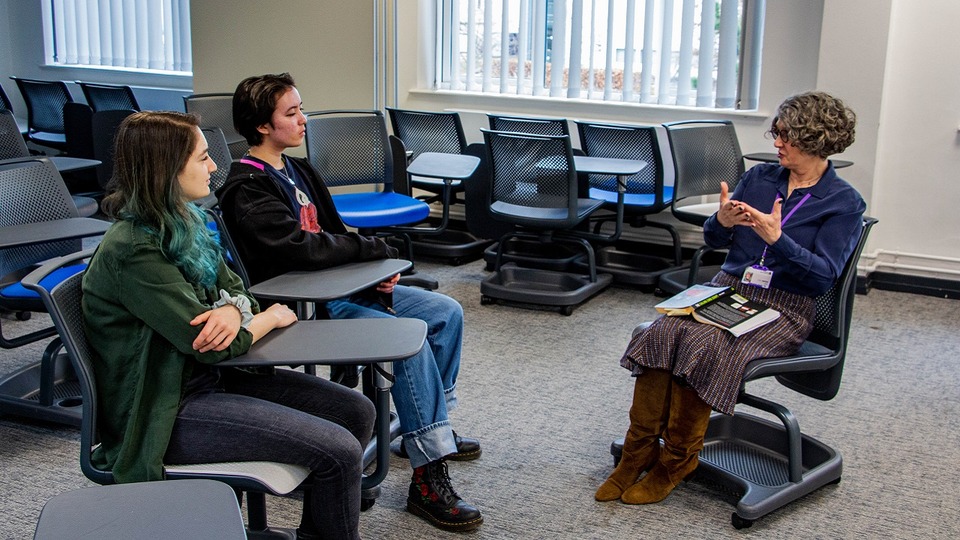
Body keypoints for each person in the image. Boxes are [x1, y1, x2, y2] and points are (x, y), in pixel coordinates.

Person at [82, 111, 377, 540]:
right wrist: (267, 317)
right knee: (341, 451)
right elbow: (212, 345)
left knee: (355, 411)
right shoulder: (133, 249)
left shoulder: (185, 221)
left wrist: (232, 310)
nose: (215, 166)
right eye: (203, 158)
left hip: (210, 380)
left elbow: (238, 290)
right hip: (163, 408)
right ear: (166, 168)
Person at [216, 73, 483, 532]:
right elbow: (301, 249)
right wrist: (370, 253)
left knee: (444, 313)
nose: (303, 119)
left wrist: (372, 276)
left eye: (301, 108)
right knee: (408, 341)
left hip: (340, 291)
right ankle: (427, 474)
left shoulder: (299, 170)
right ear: (262, 125)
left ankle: (429, 428)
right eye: (292, 112)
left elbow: (336, 236)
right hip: (303, 309)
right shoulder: (247, 188)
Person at [595, 91, 866, 505]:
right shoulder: (760, 179)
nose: (777, 143)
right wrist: (719, 222)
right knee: (662, 332)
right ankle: (636, 456)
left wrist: (778, 240)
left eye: (786, 136)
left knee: (706, 343)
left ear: (815, 140)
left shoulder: (843, 203)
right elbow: (714, 240)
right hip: (728, 287)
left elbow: (822, 277)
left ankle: (677, 461)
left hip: (784, 305)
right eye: (777, 133)